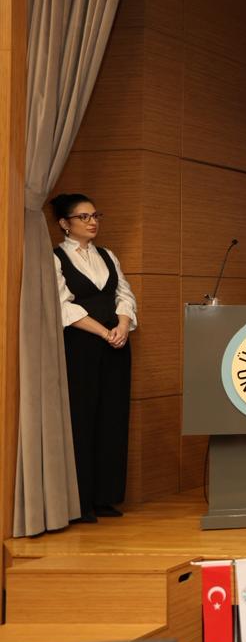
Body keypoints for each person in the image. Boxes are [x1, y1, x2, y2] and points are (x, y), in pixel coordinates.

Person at [51, 193, 136, 523]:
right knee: (81, 418)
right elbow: (63, 305)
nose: (92, 222)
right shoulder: (55, 257)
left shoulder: (107, 255)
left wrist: (123, 326)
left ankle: (105, 497)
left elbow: (124, 294)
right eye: (83, 217)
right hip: (80, 347)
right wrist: (103, 331)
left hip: (116, 344)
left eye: (95, 215)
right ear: (64, 223)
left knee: (113, 417)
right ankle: (80, 502)